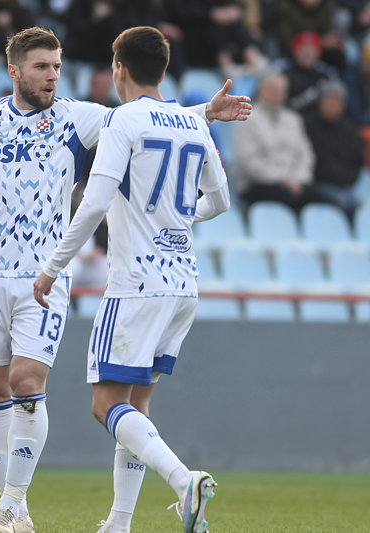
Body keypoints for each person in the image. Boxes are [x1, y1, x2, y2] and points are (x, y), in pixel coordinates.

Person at [0, 25, 250, 533]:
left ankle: (11, 501)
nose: (52, 76)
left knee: (26, 381)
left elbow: (142, 119)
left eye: (57, 67)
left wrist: (205, 113)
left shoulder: (78, 118)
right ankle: (16, 512)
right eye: (41, 67)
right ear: (13, 70)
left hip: (42, 277)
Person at [33, 25, 231, 533]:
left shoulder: (123, 119)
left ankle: (185, 481)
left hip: (137, 284)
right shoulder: (193, 124)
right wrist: (177, 218)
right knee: (136, 406)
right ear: (162, 70)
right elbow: (221, 200)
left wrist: (52, 267)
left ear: (118, 68)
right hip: (183, 284)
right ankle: (119, 523)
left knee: (106, 405)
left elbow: (95, 201)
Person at [233, 72, 315, 211]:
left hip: (293, 182)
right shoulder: (246, 118)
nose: (277, 94)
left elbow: (305, 156)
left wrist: (298, 179)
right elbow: (249, 162)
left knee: (321, 199)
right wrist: (283, 179)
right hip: (256, 183)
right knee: (287, 197)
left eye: (281, 90)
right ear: (260, 90)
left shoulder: (293, 119)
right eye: (272, 89)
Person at [304, 79, 365, 215]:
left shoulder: (349, 129)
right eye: (329, 101)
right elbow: (310, 160)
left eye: (337, 102)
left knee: (361, 208)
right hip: (318, 184)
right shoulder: (308, 125)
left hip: (346, 186)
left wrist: (346, 179)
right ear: (321, 102)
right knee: (342, 203)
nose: (333, 106)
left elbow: (357, 161)